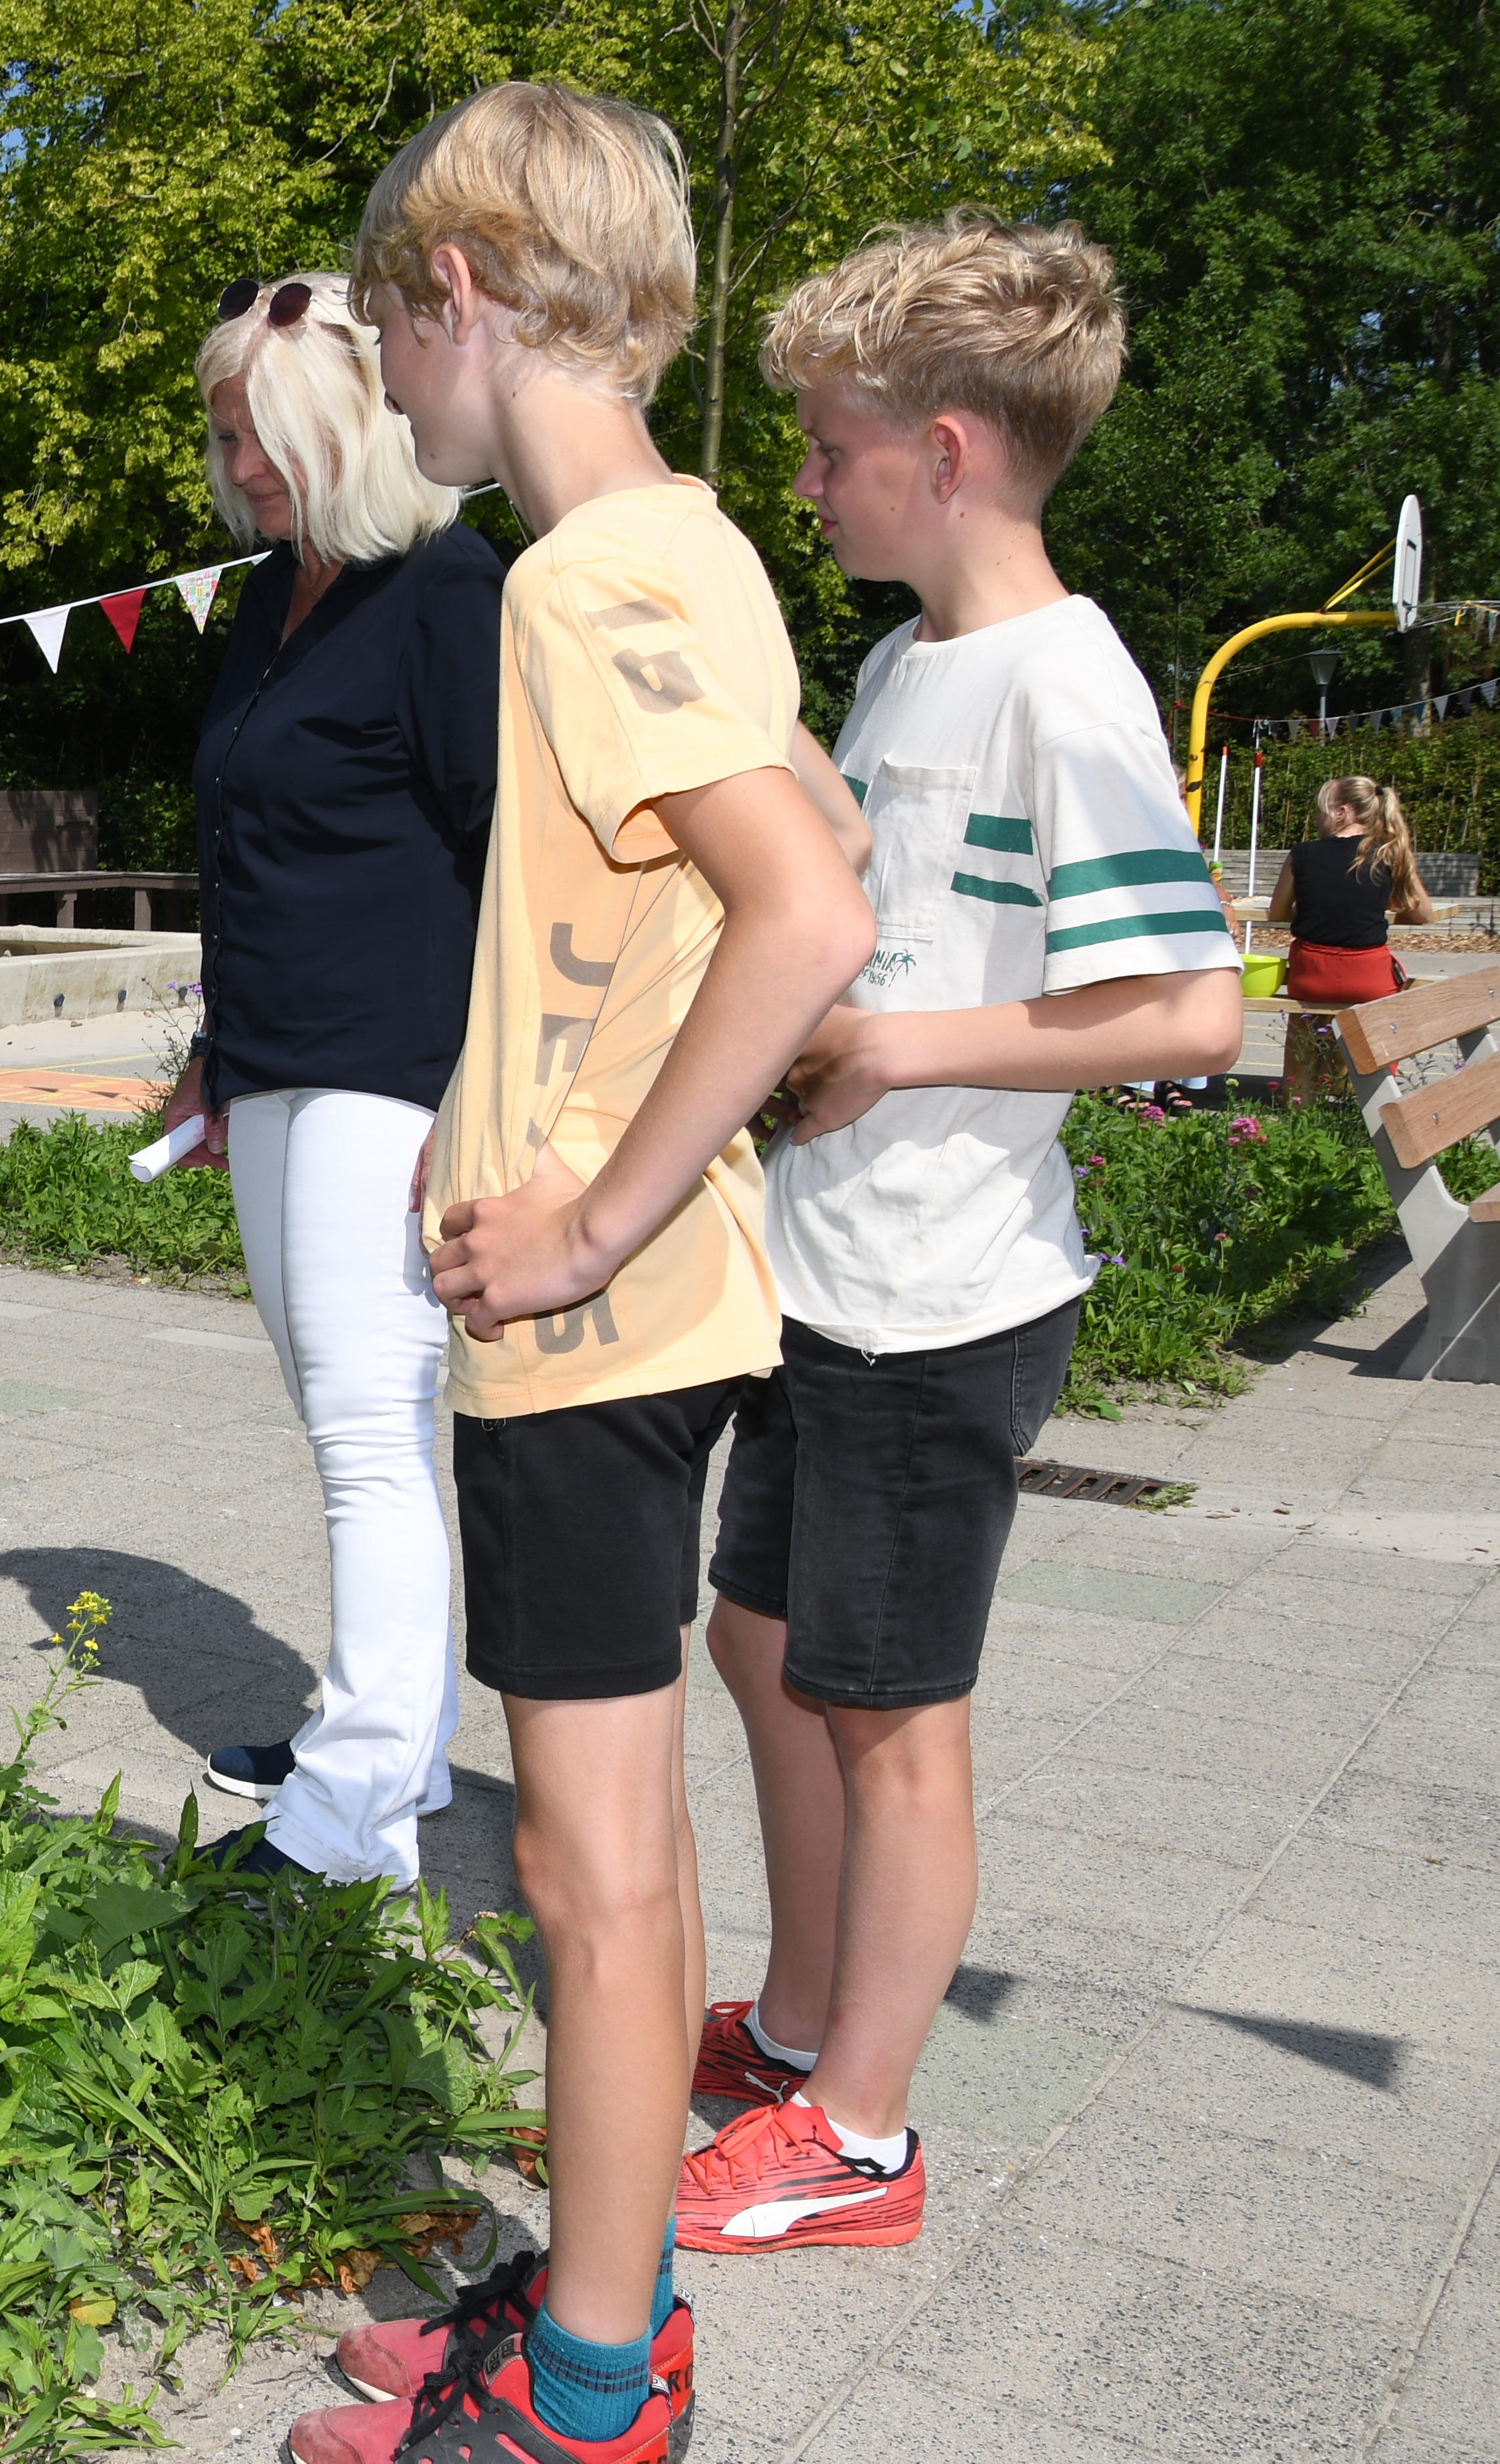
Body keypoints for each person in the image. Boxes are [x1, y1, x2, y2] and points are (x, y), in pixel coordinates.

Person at [288, 84, 875, 2464]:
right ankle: (603, 2290)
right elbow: (818, 828)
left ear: (457, 290)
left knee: (590, 1872)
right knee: (591, 1856)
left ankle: (600, 2392)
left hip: (593, 1327)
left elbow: (808, 905)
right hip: (649, 1313)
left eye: (387, 332)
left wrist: (589, 1202)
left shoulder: (578, 576)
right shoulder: (695, 541)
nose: (394, 399)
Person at [679, 215, 1242, 2263]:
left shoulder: (1060, 684)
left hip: (940, 1293)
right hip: (826, 1267)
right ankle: (809, 2014)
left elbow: (1189, 1012)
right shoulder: (906, 657)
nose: (805, 483)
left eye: (824, 450)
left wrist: (890, 1044)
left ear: (943, 448)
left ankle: (860, 2134)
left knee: (892, 1716)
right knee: (760, 1646)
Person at [153, 268, 497, 1887]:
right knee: (341, 1423)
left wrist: (484, 1097)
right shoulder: (266, 596)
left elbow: (513, 858)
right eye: (225, 436)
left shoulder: (444, 588)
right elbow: (250, 843)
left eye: (258, 431)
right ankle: (386, 1728)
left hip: (396, 1072)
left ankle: (356, 1813)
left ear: (341, 419)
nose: (238, 463)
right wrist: (214, 1060)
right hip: (281, 1062)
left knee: (371, 1429)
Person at [1270, 773, 1430, 1004]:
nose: (1317, 817)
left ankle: (1307, 1041)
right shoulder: (1389, 853)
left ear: (1341, 813)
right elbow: (1423, 914)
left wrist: (1313, 912)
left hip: (1311, 978)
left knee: (1308, 1019)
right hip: (1371, 980)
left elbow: (1278, 913)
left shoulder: (1302, 854)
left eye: (1322, 810)